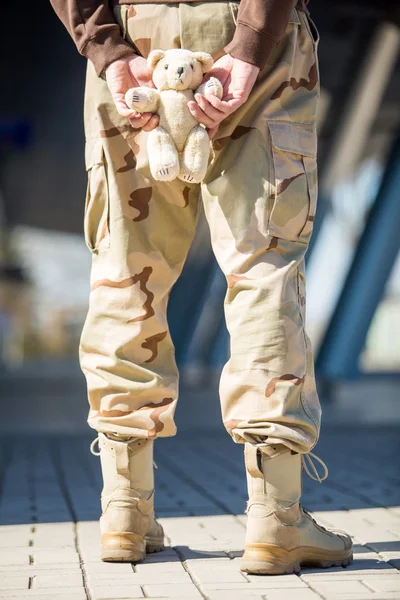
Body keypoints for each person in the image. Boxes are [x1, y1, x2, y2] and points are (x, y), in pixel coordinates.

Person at [50, 0, 353, 575]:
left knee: (124, 271)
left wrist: (107, 48)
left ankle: (125, 510)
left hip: (136, 40)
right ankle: (276, 518)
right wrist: (249, 44)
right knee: (263, 270)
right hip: (249, 33)